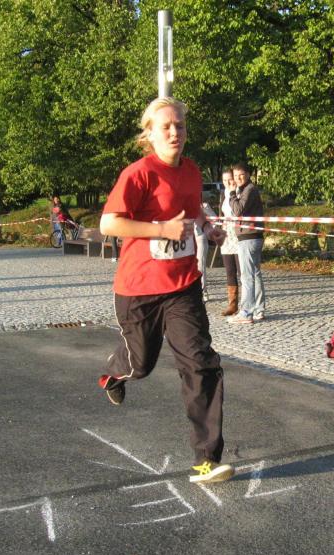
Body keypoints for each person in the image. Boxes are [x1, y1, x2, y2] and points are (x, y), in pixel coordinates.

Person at [97, 97, 233, 484]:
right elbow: (109, 223)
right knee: (141, 364)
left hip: (183, 285)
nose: (175, 133)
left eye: (180, 126)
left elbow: (193, 208)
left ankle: (206, 459)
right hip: (139, 287)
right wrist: (161, 229)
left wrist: (207, 228)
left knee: (200, 362)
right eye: (166, 127)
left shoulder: (191, 170)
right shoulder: (139, 174)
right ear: (150, 134)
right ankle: (114, 374)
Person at [227, 162, 266, 324]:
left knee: (247, 276)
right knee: (255, 274)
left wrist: (231, 194)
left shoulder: (248, 189)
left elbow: (238, 210)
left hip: (249, 237)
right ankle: (258, 309)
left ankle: (246, 312)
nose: (238, 178)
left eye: (241, 175)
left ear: (248, 174)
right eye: (235, 175)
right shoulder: (246, 189)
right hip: (252, 236)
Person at [219, 168, 241, 316]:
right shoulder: (224, 193)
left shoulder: (239, 192)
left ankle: (247, 303)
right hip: (227, 235)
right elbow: (222, 214)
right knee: (230, 271)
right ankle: (232, 304)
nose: (227, 182)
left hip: (239, 234)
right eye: (224, 180)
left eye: (230, 179)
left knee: (242, 271)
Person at [195, 199, 217, 301]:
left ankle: (203, 292)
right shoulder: (183, 202)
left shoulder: (204, 205)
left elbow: (215, 219)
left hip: (200, 238)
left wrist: (208, 230)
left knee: (201, 266)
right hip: (187, 239)